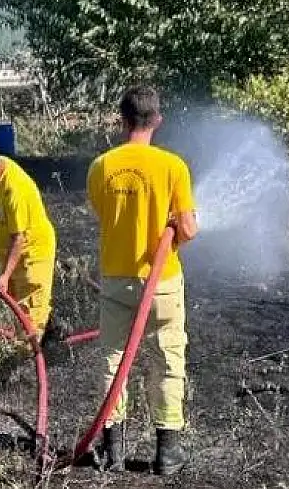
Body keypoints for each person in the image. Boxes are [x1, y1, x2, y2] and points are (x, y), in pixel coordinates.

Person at [85, 85, 198, 475]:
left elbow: (105, 213)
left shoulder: (101, 166)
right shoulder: (174, 167)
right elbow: (187, 228)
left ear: (122, 119)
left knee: (113, 359)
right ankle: (167, 453)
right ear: (158, 121)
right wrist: (177, 228)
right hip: (163, 283)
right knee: (167, 360)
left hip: (116, 280)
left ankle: (112, 450)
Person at [0, 139, 60, 342]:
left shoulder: (15, 189)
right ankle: (52, 332)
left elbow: (18, 238)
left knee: (28, 321)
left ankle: (30, 362)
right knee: (17, 309)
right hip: (11, 255)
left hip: (32, 256)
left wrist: (4, 276)